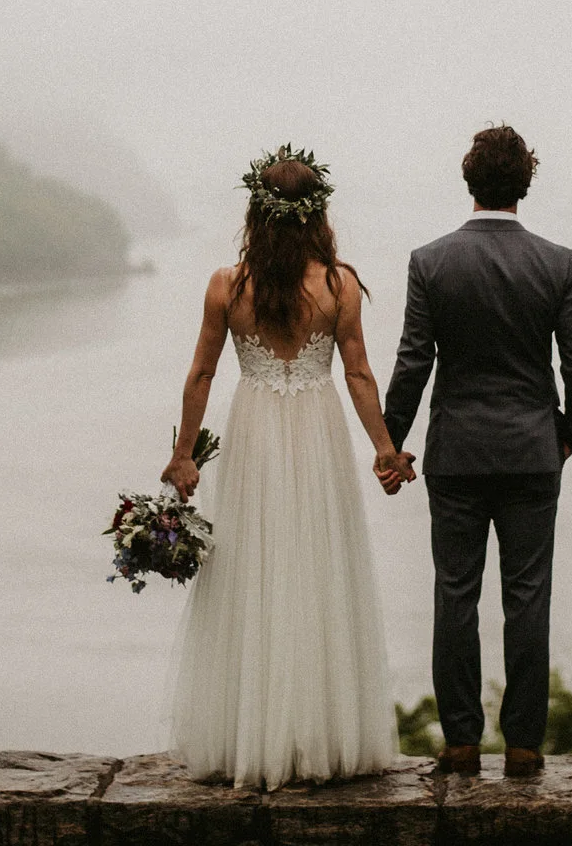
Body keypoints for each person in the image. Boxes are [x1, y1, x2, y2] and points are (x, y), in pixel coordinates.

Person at [161, 145, 405, 788]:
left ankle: (252, 737)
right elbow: (357, 372)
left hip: (257, 430)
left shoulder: (227, 286)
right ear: (317, 215)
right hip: (317, 431)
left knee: (254, 572)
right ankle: (323, 736)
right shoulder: (338, 284)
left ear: (257, 214)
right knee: (319, 568)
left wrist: (184, 455)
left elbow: (203, 374)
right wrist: (383, 447)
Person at [380, 125, 572, 776]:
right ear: (523, 183)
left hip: (456, 454)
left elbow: (413, 363)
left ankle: (461, 742)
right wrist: (569, 434)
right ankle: (526, 745)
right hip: (532, 451)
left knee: (455, 595)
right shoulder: (556, 262)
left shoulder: (431, 261)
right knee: (527, 598)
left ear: (470, 179)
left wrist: (391, 444)